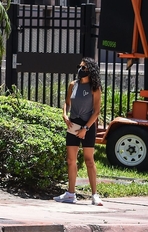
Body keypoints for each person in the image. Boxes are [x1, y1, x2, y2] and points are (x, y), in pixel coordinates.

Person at [54, 57, 103, 206]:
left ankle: (95, 195)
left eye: (84, 68)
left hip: (87, 126)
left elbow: (96, 111)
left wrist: (85, 129)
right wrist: (64, 114)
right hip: (73, 124)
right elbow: (67, 103)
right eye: (80, 67)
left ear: (91, 71)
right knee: (71, 160)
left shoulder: (95, 88)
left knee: (89, 160)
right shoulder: (73, 85)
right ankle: (70, 194)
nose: (81, 70)